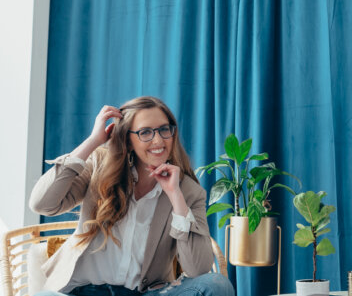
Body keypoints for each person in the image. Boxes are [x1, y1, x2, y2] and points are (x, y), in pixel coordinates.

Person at [30, 96, 235, 296]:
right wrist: (93, 141)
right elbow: (42, 204)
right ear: (128, 141)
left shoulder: (189, 191)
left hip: (145, 293)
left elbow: (198, 268)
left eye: (164, 129)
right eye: (145, 132)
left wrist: (175, 196)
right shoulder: (99, 166)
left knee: (216, 284)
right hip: (82, 290)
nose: (158, 140)